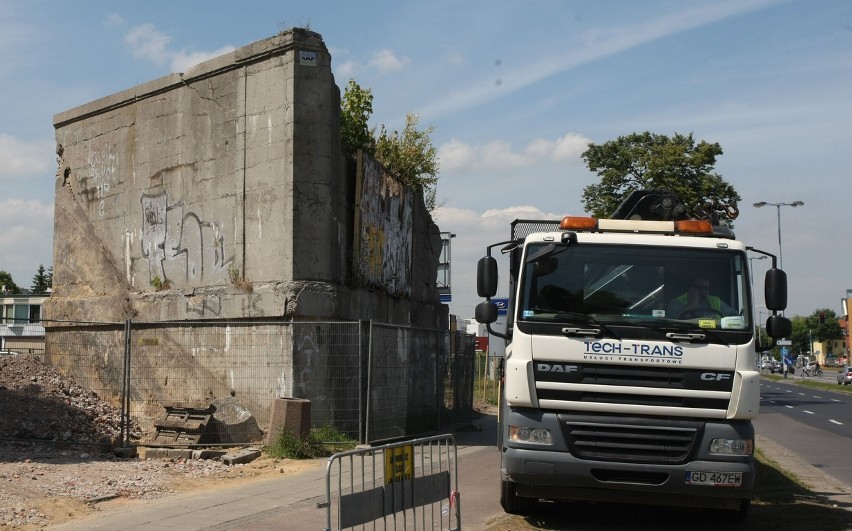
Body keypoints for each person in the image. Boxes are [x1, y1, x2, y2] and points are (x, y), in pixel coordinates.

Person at [667, 276, 736, 319]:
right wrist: (693, 303)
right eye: (699, 287)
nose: (703, 291)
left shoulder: (715, 301)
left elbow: (734, 315)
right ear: (690, 288)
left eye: (706, 288)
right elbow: (672, 322)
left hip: (714, 333)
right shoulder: (676, 303)